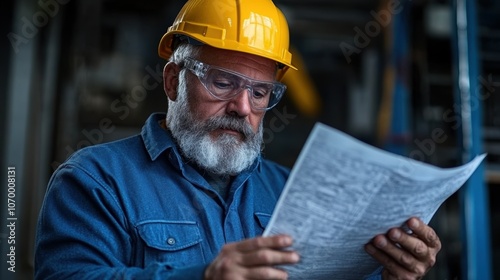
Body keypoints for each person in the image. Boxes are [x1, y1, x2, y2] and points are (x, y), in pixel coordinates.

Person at [34, 0, 441, 279]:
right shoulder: (95, 180)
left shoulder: (291, 192)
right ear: (174, 80)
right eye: (223, 82)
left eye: (260, 93)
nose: (242, 107)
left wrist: (393, 273)